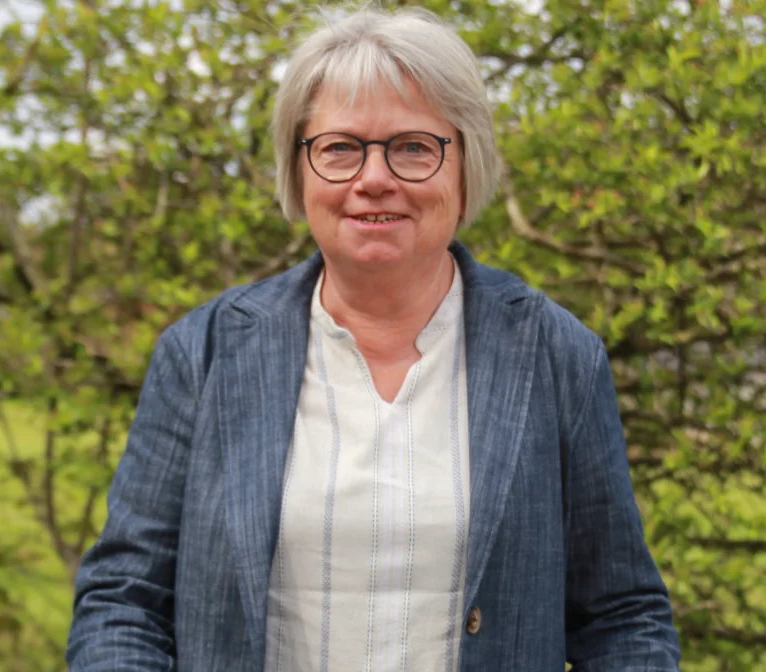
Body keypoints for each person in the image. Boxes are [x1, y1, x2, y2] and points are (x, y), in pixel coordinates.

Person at [66, 6, 680, 671]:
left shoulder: (557, 356)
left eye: (414, 146)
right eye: (340, 148)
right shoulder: (204, 354)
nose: (374, 178)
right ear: (298, 170)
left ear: (465, 164)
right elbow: (124, 599)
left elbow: (622, 618)